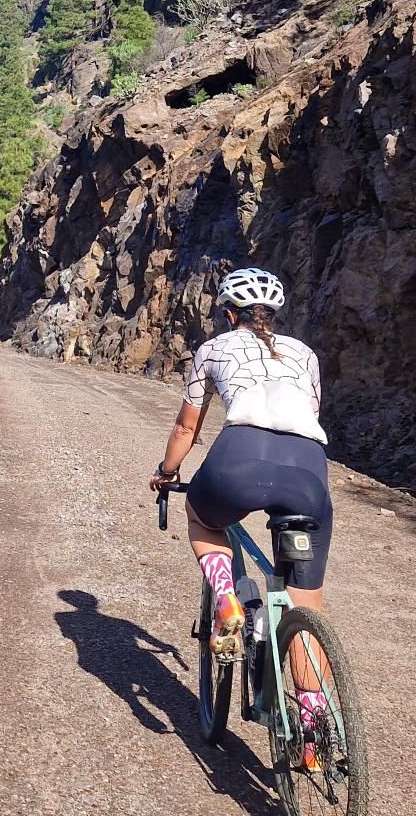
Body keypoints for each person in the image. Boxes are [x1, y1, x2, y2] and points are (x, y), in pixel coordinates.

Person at [148, 267, 333, 734]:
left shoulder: (213, 349)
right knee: (304, 601)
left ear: (230, 314)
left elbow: (186, 427)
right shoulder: (305, 353)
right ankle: (314, 726)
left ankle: (227, 598)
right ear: (274, 313)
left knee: (202, 516)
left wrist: (166, 473)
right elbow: (308, 415)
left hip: (239, 460)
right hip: (307, 470)